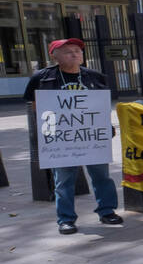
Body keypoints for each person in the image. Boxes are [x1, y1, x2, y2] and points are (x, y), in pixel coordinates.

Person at [23, 38, 123, 235]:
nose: (74, 54)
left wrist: (103, 127)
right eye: (68, 51)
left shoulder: (95, 77)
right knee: (64, 180)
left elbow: (101, 106)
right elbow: (35, 107)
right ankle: (66, 219)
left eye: (77, 50)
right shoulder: (42, 78)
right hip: (62, 140)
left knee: (102, 176)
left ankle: (107, 211)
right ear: (55, 56)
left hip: (92, 139)